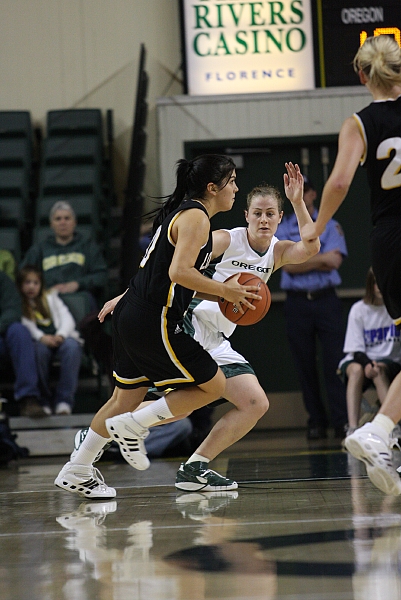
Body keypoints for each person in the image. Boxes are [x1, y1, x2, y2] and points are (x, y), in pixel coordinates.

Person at [58, 159, 320, 499]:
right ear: (246, 216)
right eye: (257, 212)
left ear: (279, 219)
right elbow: (175, 266)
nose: (264, 219)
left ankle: (192, 466)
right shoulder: (224, 238)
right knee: (184, 400)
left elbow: (311, 247)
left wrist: (298, 201)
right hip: (188, 323)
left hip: (216, 336)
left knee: (254, 403)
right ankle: (106, 433)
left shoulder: (277, 252)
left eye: (271, 213)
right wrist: (130, 294)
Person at [301, 35, 401, 495]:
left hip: (387, 240)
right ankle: (379, 430)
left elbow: (338, 181)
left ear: (362, 76)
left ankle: (381, 433)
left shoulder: (358, 123)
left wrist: (316, 226)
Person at [275, 175, 348, 440]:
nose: (300, 196)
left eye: (304, 191)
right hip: (297, 304)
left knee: (335, 363)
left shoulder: (330, 226)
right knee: (304, 364)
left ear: (313, 194)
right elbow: (288, 266)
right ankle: (316, 421)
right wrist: (319, 257)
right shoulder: (282, 229)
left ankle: (342, 421)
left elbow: (335, 261)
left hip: (327, 300)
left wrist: (303, 258)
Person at [20, 200, 113, 387]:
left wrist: (77, 284)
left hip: (81, 304)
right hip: (46, 306)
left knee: (89, 303)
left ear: (74, 222)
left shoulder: (87, 247)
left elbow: (102, 276)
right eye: (58, 219)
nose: (62, 222)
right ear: (52, 224)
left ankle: (90, 354)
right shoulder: (39, 250)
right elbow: (24, 277)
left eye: (66, 218)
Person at [339, 267, 401, 436]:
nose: (380, 287)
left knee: (378, 370)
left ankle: (391, 427)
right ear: (370, 285)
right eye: (376, 283)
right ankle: (352, 428)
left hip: (390, 363)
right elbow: (355, 348)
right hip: (361, 360)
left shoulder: (396, 309)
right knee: (357, 370)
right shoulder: (359, 310)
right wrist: (367, 364)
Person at [16, 265, 83, 416]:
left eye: (35, 283)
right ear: (20, 285)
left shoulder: (51, 297)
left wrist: (61, 335)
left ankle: (64, 401)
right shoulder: (18, 303)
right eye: (27, 283)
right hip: (39, 341)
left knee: (72, 347)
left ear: (41, 285)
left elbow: (67, 318)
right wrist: (41, 337)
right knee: (38, 351)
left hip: (61, 338)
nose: (31, 287)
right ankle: (44, 401)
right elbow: (25, 324)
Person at [0, 270, 45, 417]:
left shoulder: (2, 278)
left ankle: (28, 398)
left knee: (20, 331)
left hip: (2, 333)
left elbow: (13, 310)